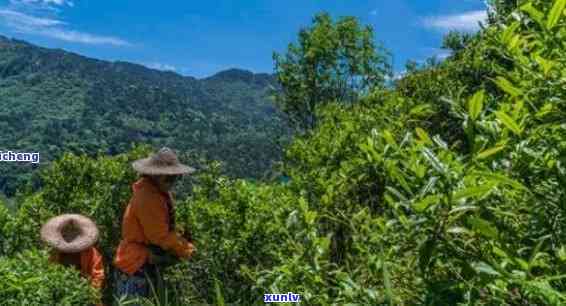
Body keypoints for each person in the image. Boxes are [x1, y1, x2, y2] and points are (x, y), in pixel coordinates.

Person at [113, 147, 196, 303]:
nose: (173, 183)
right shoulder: (148, 197)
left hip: (140, 263)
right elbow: (159, 236)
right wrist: (188, 250)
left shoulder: (155, 191)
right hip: (135, 266)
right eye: (170, 179)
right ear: (155, 176)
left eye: (176, 178)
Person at [41, 214, 105, 306]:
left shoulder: (90, 252)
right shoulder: (55, 252)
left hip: (84, 292)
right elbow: (49, 271)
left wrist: (90, 291)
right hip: (61, 292)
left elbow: (98, 274)